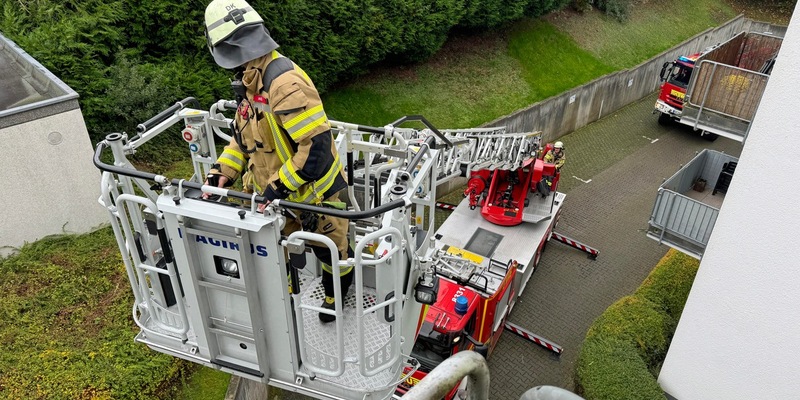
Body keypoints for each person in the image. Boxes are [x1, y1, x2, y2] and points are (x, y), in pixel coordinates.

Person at [202, 0, 352, 323]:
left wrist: (276, 188)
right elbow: (243, 141)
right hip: (279, 200)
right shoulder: (250, 81)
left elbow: (316, 149)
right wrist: (222, 172)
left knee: (333, 253)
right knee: (273, 254)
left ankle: (334, 300)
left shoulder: (282, 84)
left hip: (318, 198)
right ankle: (285, 306)